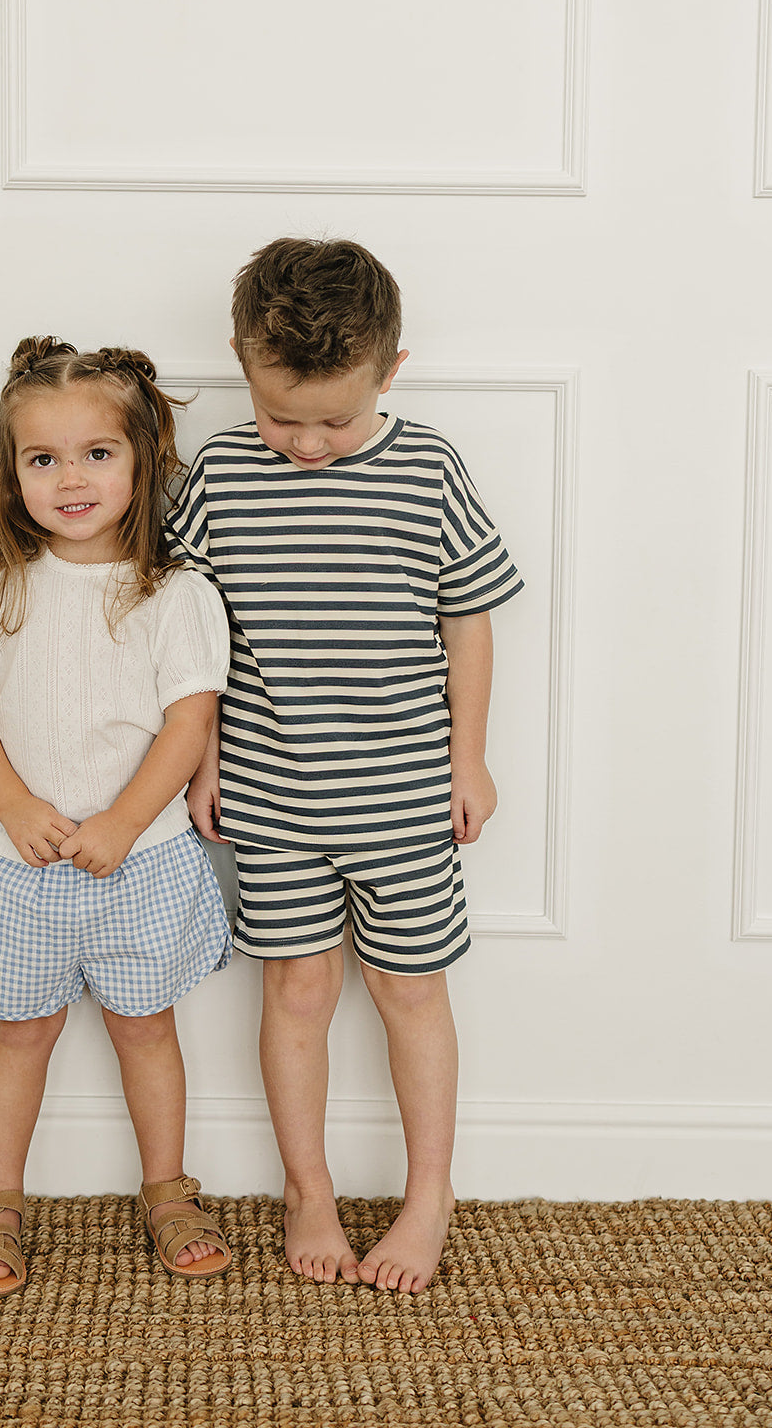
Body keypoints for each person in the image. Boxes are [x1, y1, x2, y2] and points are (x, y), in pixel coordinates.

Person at [169, 239, 524, 1294]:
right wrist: (205, 761)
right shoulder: (223, 477)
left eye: (335, 418)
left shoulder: (427, 467)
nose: (309, 443)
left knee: (412, 991)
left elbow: (468, 620)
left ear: (390, 370)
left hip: (407, 799)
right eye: (284, 418)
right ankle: (307, 1185)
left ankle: (429, 1194)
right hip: (272, 800)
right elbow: (189, 640)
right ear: (241, 364)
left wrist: (471, 758)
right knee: (296, 991)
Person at [0, 336, 234, 1295]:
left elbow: (190, 721)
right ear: (9, 471)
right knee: (19, 1030)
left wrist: (119, 822)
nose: (71, 478)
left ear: (142, 461)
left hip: (139, 859)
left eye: (97, 453)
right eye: (43, 458)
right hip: (17, 864)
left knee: (145, 1025)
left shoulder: (174, 593)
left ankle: (167, 1188)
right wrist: (19, 806)